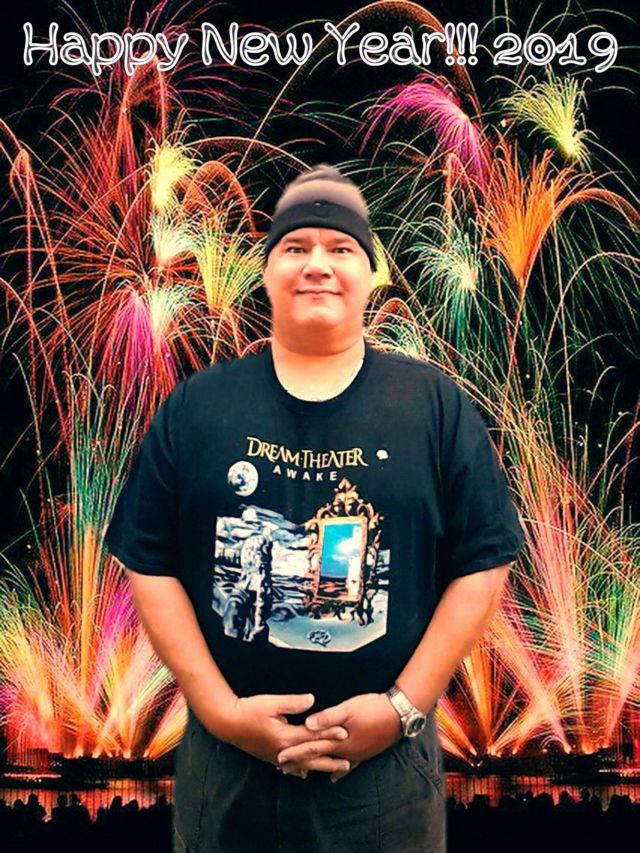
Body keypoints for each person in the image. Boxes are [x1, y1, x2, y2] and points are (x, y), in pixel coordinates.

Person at [104, 164, 524, 852]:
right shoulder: (197, 405)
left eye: (341, 247)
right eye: (295, 247)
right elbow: (149, 561)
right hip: (225, 776)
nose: (318, 264)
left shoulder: (434, 406)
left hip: (388, 781)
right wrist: (221, 709)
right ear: (265, 273)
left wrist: (401, 707)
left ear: (371, 274)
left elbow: (483, 562)